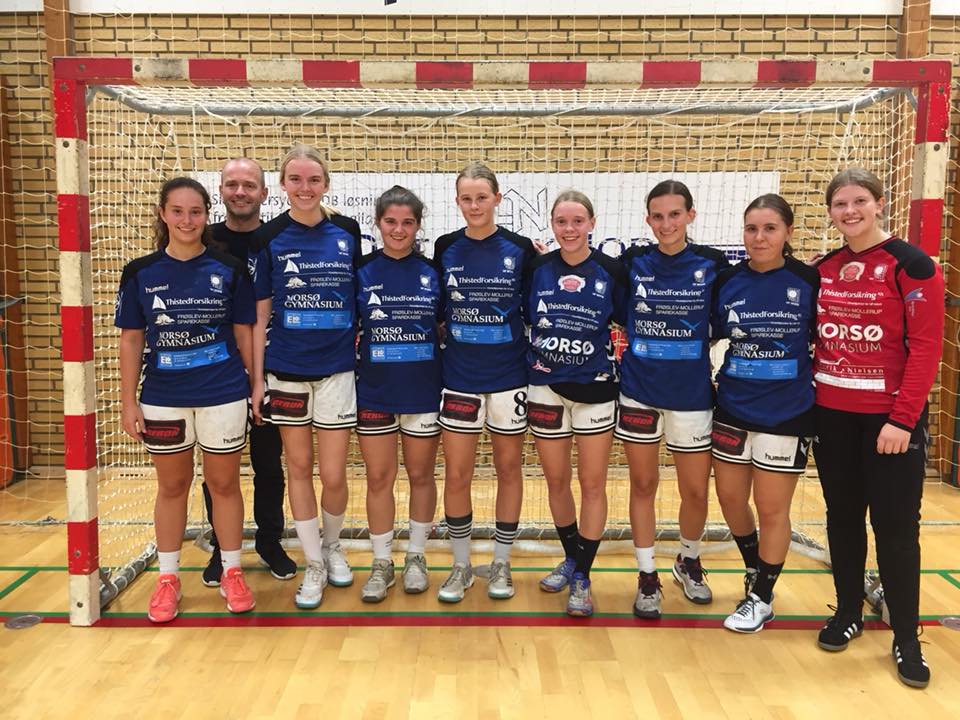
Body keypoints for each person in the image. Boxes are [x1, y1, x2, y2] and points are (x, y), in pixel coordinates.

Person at [813, 168, 943, 688]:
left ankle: (907, 637)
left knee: (896, 529)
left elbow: (927, 348)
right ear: (830, 211)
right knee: (843, 519)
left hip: (890, 423)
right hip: (832, 418)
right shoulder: (825, 267)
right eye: (840, 204)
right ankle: (848, 612)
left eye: (859, 201)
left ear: (879, 203)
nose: (850, 211)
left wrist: (902, 420)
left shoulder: (912, 264)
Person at [116, 177, 256, 622]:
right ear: (163, 214)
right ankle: (168, 579)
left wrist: (255, 385)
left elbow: (244, 333)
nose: (187, 220)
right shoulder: (140, 272)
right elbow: (131, 339)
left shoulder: (229, 268)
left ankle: (232, 572)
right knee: (173, 486)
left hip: (223, 393)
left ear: (206, 215)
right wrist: (128, 401)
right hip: (163, 397)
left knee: (224, 484)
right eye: (177, 211)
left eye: (195, 211)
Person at [251, 145, 362, 609]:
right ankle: (313, 562)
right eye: (295, 179)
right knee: (297, 468)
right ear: (283, 185)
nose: (305, 188)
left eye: (313, 179)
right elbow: (260, 315)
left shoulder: (347, 231)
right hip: (286, 372)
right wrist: (258, 380)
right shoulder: (269, 236)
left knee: (333, 473)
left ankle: (332, 546)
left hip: (337, 370)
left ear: (326, 184)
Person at [618, 181, 729, 619]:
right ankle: (647, 574)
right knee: (643, 485)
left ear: (690, 215)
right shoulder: (632, 263)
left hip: (692, 395)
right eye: (658, 216)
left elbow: (728, 313)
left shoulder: (712, 264)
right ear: (648, 220)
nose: (666, 224)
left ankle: (688, 559)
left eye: (675, 215)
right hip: (640, 392)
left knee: (695, 490)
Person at [711, 194, 819, 633]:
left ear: (788, 232)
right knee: (730, 499)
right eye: (751, 229)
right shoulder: (726, 281)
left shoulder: (809, 280)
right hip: (733, 408)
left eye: (770, 228)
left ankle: (762, 597)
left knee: (772, 508)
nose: (759, 238)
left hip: (787, 413)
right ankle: (756, 567)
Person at [433, 162, 536, 603]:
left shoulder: (521, 249)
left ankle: (501, 562)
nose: (474, 206)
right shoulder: (445, 247)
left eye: (482, 197)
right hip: (459, 376)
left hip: (509, 376)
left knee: (508, 470)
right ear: (457, 201)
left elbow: (535, 307)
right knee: (457, 473)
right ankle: (461, 565)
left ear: (497, 198)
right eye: (466, 198)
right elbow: (439, 309)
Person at [525, 191, 627, 617]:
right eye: (561, 221)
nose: (569, 229)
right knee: (556, 481)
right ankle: (573, 557)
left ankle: (582, 574)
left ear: (591, 224)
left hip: (595, 388)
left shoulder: (611, 271)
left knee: (592, 483)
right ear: (552, 224)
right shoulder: (536, 268)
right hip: (545, 385)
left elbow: (628, 320)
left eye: (577, 221)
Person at [200, 158, 296, 587]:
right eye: (232, 184)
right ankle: (223, 548)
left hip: (268, 370)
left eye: (249, 185)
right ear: (221, 190)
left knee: (269, 464)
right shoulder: (203, 239)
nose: (240, 192)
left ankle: (270, 542)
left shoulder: (275, 239)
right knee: (218, 471)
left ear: (264, 193)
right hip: (216, 374)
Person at [355, 186, 442, 602]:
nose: (399, 230)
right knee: (379, 478)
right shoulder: (361, 271)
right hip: (375, 390)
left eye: (408, 222)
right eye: (391, 221)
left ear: (418, 225)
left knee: (421, 475)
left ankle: (417, 556)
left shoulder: (433, 272)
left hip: (423, 390)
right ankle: (381, 562)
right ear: (378, 223)